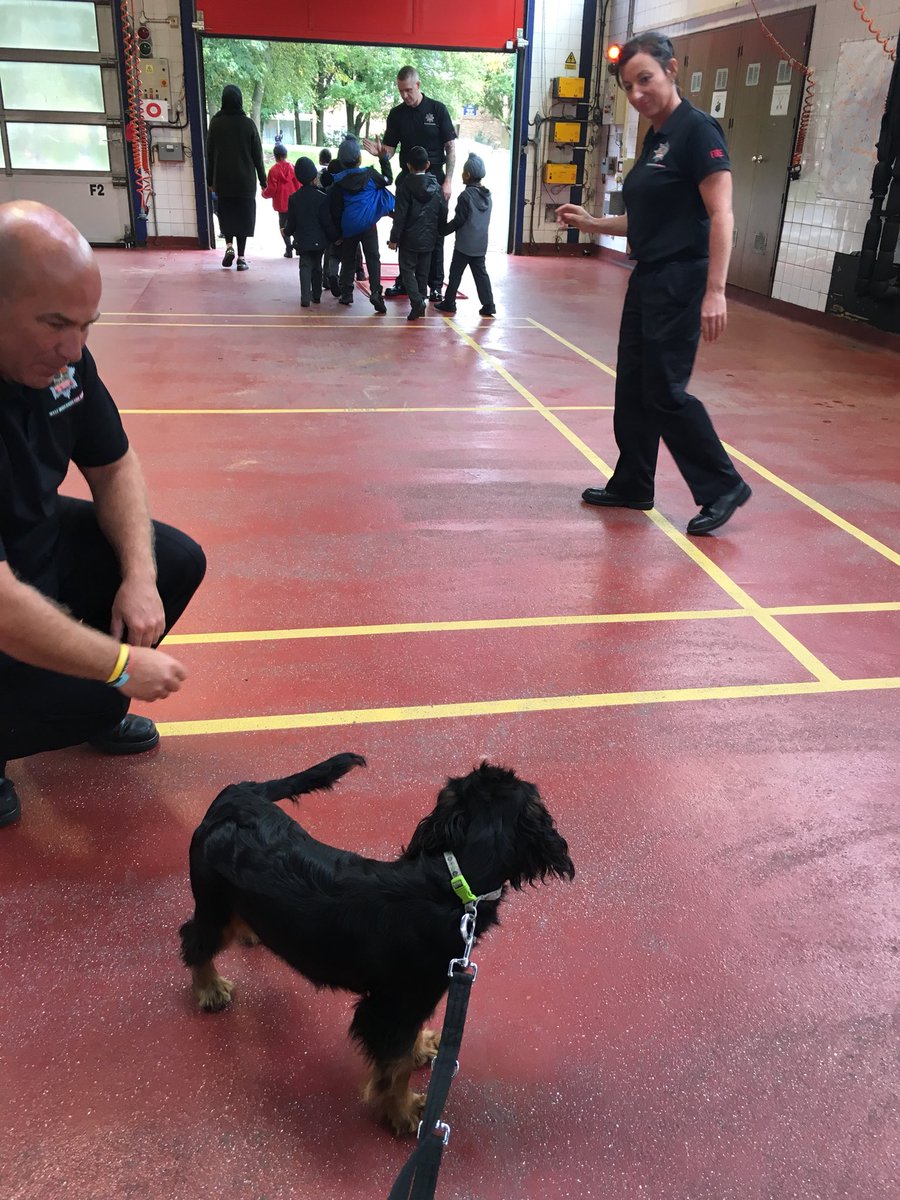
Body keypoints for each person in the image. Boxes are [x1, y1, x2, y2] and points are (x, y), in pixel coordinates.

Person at [0, 201, 206, 828]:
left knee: (173, 560)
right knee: (97, 693)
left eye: (87, 325)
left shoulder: (64, 368)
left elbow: (114, 466)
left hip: (30, 546)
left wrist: (139, 579)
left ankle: (75, 705)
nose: (73, 349)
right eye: (56, 324)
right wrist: (118, 668)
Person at [556, 30, 751, 536]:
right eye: (628, 86)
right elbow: (644, 218)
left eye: (645, 79)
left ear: (672, 70)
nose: (637, 94)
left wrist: (716, 290)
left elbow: (722, 215)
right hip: (649, 276)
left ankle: (722, 485)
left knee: (664, 390)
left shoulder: (697, 131)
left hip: (682, 278)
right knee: (634, 386)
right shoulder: (657, 136)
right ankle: (633, 483)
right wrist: (593, 224)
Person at [363, 66, 457, 302]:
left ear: (418, 85)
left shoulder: (437, 110)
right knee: (405, 229)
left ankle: (435, 285)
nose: (404, 96)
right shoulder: (396, 114)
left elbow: (451, 147)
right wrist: (381, 155)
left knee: (434, 233)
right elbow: (391, 150)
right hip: (408, 180)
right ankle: (405, 281)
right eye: (400, 91)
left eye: (407, 90)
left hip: (435, 179)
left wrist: (449, 180)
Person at [328, 137, 393, 313]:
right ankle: (376, 293)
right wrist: (383, 158)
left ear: (341, 161)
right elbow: (388, 180)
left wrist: (338, 231)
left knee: (349, 259)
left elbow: (336, 208)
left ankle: (347, 293)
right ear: (359, 159)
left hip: (349, 226)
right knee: (373, 258)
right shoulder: (370, 175)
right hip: (368, 223)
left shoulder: (338, 181)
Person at [206, 84, 267, 272]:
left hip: (224, 180)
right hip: (245, 181)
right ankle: (241, 258)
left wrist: (210, 181)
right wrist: (263, 180)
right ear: (239, 100)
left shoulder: (216, 123)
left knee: (228, 215)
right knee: (243, 217)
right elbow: (258, 155)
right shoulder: (248, 124)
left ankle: (229, 246)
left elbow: (209, 154)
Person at [387, 146, 447, 321]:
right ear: (428, 164)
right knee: (423, 272)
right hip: (429, 237)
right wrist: (439, 232)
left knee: (407, 270)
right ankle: (420, 302)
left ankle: (417, 301)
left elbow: (401, 215)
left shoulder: (405, 186)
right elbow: (442, 211)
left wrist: (394, 238)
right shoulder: (436, 187)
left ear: (408, 165)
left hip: (409, 237)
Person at [435, 153, 496, 317]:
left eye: (463, 171)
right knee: (481, 274)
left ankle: (449, 302)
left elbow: (459, 220)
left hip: (464, 244)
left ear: (467, 175)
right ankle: (488, 304)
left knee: (455, 273)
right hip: (480, 244)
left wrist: (442, 231)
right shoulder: (488, 197)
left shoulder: (465, 196)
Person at [285, 157, 338, 307]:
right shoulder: (322, 198)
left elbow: (292, 222)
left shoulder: (294, 198)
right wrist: (335, 237)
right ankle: (317, 295)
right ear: (314, 176)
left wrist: (287, 232)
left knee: (305, 266)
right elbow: (326, 222)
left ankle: (305, 297)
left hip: (302, 239)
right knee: (317, 266)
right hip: (320, 240)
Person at [261, 141, 300, 257]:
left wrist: (264, 193)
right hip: (294, 202)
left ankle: (288, 249)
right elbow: (298, 185)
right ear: (286, 155)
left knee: (283, 226)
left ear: (275, 156)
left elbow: (272, 189)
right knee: (296, 225)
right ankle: (297, 245)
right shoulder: (293, 168)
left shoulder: (273, 171)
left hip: (281, 203)